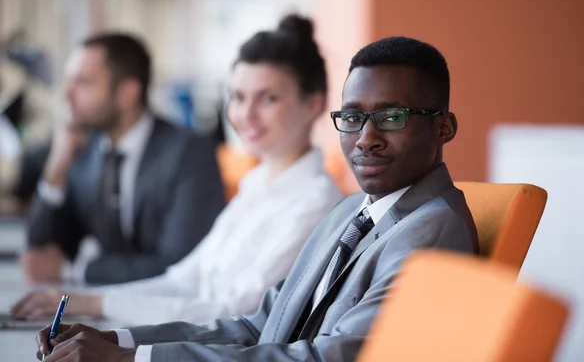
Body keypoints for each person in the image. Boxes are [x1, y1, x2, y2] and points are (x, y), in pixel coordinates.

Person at [34, 36, 479, 362]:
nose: (366, 139)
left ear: (444, 128)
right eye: (353, 117)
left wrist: (130, 360)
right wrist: (118, 340)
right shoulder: (350, 210)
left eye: (392, 117)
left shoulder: (430, 226)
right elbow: (259, 322)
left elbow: (326, 359)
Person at [12, 15, 343, 325]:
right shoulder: (257, 183)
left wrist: (96, 303)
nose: (247, 114)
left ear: (313, 104)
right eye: (238, 97)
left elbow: (237, 313)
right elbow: (186, 278)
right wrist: (82, 299)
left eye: (267, 98)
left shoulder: (316, 203)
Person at [21, 33, 225, 284]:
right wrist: (55, 169)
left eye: (83, 83)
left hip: (171, 313)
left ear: (127, 93)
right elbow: (40, 254)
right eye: (69, 81)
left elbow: (181, 264)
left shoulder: (189, 154)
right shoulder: (84, 151)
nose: (68, 95)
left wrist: (76, 270)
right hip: (103, 309)